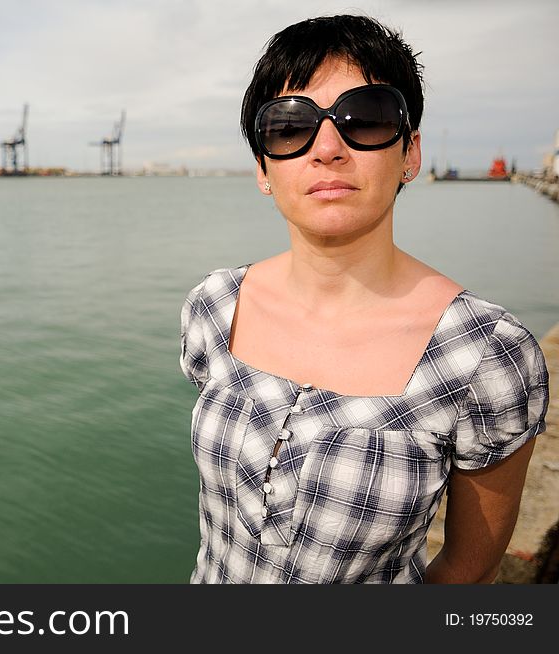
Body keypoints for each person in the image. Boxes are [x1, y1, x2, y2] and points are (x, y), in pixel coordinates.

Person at [179, 14, 549, 584]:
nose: (327, 149)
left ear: (410, 153)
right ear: (263, 168)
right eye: (289, 127)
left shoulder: (486, 355)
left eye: (366, 119)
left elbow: (468, 566)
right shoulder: (215, 307)